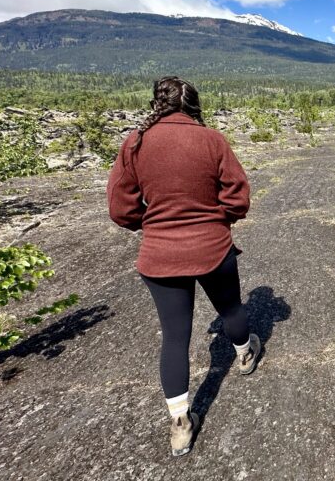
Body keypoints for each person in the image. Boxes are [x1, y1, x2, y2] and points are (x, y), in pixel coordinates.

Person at [106, 76, 261, 457]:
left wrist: (152, 225)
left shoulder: (135, 142)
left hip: (159, 254)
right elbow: (238, 197)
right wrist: (218, 219)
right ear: (194, 103)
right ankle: (244, 355)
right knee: (231, 309)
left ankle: (180, 423)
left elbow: (120, 208)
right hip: (213, 248)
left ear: (157, 103)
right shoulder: (211, 140)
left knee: (175, 337)